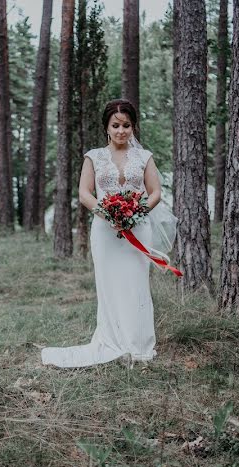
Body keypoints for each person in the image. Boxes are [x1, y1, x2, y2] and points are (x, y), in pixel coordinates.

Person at [42, 98, 178, 369]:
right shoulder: (94, 156)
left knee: (136, 284)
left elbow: (155, 193)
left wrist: (135, 213)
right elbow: (84, 193)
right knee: (110, 286)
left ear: (133, 127)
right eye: (115, 125)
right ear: (107, 127)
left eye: (126, 125)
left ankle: (139, 345)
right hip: (105, 231)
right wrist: (110, 215)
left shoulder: (144, 157)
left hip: (137, 229)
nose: (121, 131)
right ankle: (113, 340)